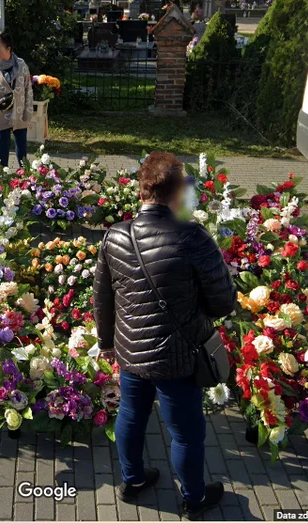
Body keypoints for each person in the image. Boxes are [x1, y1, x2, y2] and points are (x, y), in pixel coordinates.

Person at [93, 151, 237, 517]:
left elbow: (103, 297)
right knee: (186, 432)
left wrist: (107, 342)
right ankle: (193, 497)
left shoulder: (115, 236)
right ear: (177, 194)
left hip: (131, 351)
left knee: (130, 414)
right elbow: (222, 303)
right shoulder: (192, 236)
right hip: (178, 356)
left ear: (142, 191)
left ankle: (133, 479)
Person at [0, 31, 33, 168]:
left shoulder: (21, 65)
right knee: (3, 147)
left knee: (22, 147)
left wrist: (28, 112)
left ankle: (24, 176)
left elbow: (28, 89)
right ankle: (2, 175)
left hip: (19, 112)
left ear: (8, 49)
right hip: (0, 114)